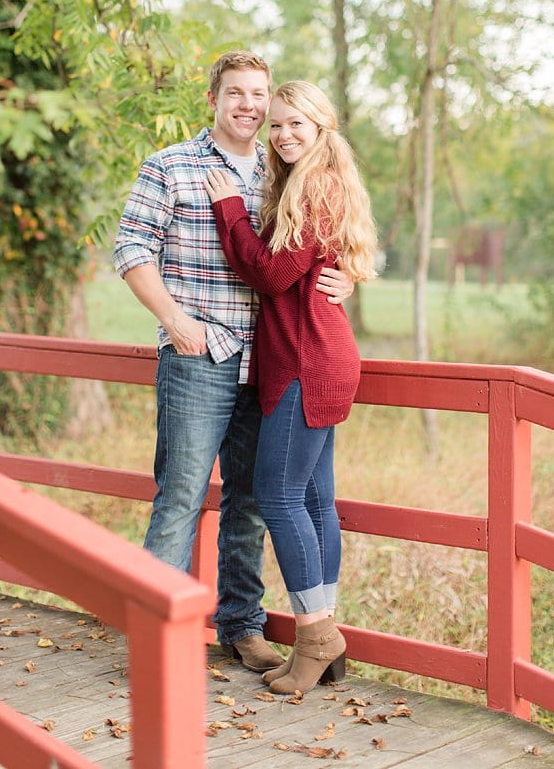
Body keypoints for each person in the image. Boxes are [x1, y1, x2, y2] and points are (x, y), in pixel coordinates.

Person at [113, 51, 352, 672]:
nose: (250, 105)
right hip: (201, 354)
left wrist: (345, 277)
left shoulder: (282, 173)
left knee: (250, 501)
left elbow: (309, 252)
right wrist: (174, 321)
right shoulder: (173, 165)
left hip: (270, 363)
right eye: (237, 93)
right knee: (183, 497)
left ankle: (241, 625)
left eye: (260, 95)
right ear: (214, 98)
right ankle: (155, 637)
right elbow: (131, 248)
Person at [204, 79, 378, 693]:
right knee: (312, 500)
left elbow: (273, 273)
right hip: (320, 355)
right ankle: (324, 644)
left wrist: (228, 207)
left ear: (322, 127)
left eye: (295, 124)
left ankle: (315, 635)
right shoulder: (312, 182)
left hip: (308, 362)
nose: (281, 135)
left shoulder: (315, 187)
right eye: (276, 125)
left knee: (277, 498)